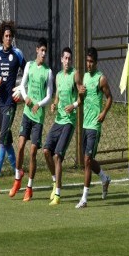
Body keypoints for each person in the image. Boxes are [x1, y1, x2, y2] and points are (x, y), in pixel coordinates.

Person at [8, 37, 53, 201]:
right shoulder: (29, 66)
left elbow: (49, 95)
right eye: (41, 50)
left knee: (33, 151)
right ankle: (17, 179)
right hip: (27, 113)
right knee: (20, 146)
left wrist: (39, 104)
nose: (43, 54)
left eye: (45, 51)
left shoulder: (48, 72)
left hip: (38, 117)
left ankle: (29, 187)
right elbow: (23, 85)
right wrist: (25, 97)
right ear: (36, 50)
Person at [0, 20, 26, 194]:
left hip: (11, 103)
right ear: (1, 38)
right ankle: (19, 172)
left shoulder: (17, 54)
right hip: (0, 103)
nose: (9, 38)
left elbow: (28, 71)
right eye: (6, 36)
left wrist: (22, 88)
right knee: (7, 141)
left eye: (10, 36)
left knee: (2, 142)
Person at [75, 47, 112, 208]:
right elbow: (82, 100)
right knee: (87, 161)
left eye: (91, 62)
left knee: (87, 160)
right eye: (87, 62)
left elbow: (110, 98)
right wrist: (80, 94)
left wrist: (104, 112)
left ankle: (84, 198)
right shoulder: (84, 77)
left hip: (94, 125)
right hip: (85, 123)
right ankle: (104, 178)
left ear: (96, 63)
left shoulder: (100, 79)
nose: (88, 65)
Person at [43, 47, 80, 205]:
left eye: (69, 59)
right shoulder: (58, 76)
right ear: (61, 59)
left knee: (57, 155)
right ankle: (55, 181)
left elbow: (81, 95)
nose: (67, 61)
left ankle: (57, 194)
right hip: (58, 120)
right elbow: (57, 95)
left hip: (69, 121)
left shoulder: (75, 74)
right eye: (65, 58)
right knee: (46, 151)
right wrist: (54, 104)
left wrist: (74, 105)